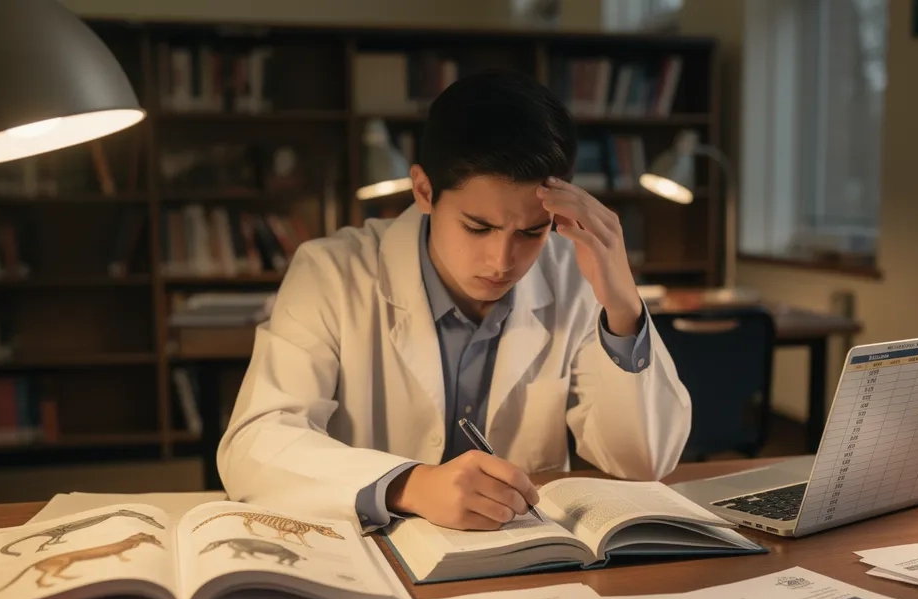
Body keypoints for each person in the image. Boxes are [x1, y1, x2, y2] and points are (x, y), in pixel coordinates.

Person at [217, 70, 691, 532]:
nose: (502, 260)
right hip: (373, 552)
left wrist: (622, 305)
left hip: (524, 557)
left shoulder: (577, 274)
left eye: (531, 231)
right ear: (423, 191)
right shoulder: (331, 271)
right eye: (477, 227)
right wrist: (409, 485)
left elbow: (644, 460)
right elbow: (255, 443)